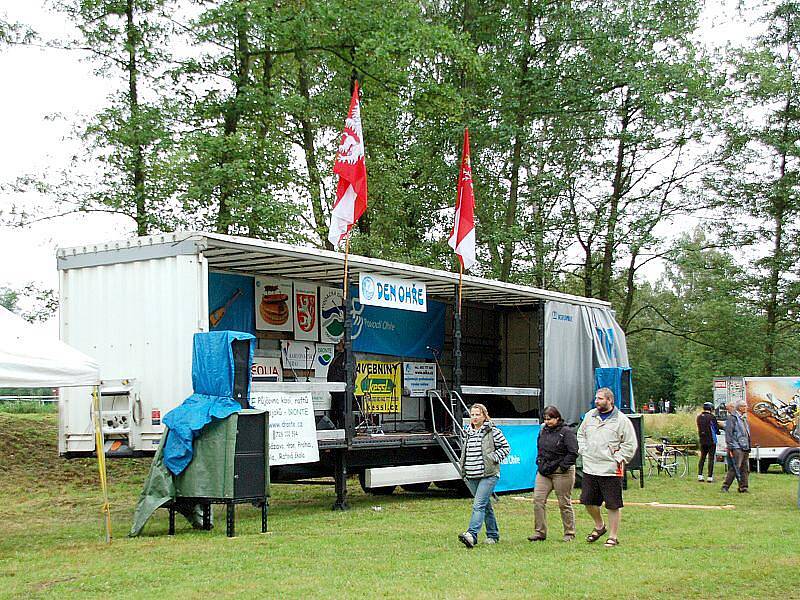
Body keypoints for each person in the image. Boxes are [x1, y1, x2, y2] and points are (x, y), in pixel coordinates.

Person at [576, 387, 638, 548]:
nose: (597, 401)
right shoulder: (590, 416)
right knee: (588, 501)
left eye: (600, 398)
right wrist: (583, 450)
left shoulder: (621, 420)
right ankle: (599, 526)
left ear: (610, 400)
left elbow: (630, 444)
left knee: (613, 504)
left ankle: (613, 536)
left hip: (611, 469)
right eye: (596, 398)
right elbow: (581, 434)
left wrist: (618, 457)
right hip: (591, 467)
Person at [457, 403, 511, 548]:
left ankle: (471, 534)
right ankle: (493, 535)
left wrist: (492, 457)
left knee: (478, 504)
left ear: (484, 415)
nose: (474, 417)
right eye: (472, 415)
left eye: (477, 414)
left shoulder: (493, 431)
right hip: (471, 474)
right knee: (485, 505)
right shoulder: (467, 432)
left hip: (489, 474)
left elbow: (506, 448)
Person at [529, 405, 578, 542]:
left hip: (562, 473)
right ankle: (540, 532)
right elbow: (540, 447)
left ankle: (569, 532)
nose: (547, 422)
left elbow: (573, 452)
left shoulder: (566, 432)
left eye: (550, 419)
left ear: (557, 418)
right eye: (545, 419)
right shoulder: (542, 430)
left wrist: (563, 467)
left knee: (564, 502)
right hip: (544, 471)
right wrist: (539, 462)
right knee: (538, 500)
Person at [721, 400, 751, 493]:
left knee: (745, 468)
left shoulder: (743, 418)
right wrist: (729, 445)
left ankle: (743, 487)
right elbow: (729, 432)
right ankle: (725, 486)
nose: (746, 407)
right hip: (736, 446)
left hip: (744, 446)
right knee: (735, 467)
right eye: (744, 406)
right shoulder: (732, 418)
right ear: (740, 407)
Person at [696, 401, 719, 482]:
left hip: (702, 440)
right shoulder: (712, 417)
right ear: (711, 408)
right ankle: (709, 477)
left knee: (702, 457)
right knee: (711, 458)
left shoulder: (699, 417)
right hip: (711, 440)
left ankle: (700, 475)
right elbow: (716, 429)